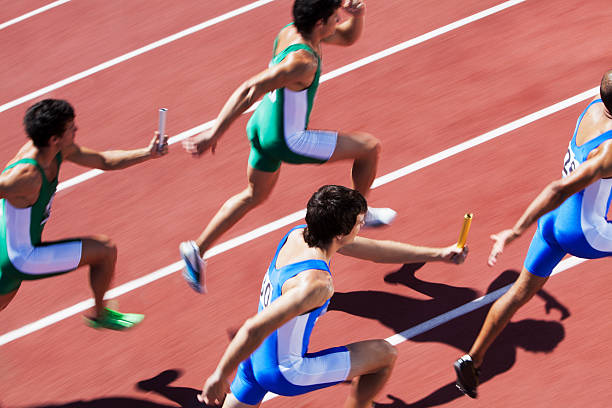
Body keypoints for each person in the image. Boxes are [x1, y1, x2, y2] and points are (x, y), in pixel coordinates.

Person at [180, 0, 396, 293]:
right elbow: (250, 87)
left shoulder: (292, 31)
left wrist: (359, 16)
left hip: (262, 127)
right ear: (320, 23)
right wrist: (214, 132)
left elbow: (347, 37)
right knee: (369, 148)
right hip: (288, 140)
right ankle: (359, 212)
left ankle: (196, 249)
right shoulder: (303, 61)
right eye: (335, 17)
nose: (338, 21)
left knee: (253, 195)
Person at [199, 185, 468, 407]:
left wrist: (439, 254)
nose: (362, 227)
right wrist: (219, 375)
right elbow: (251, 328)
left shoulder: (297, 236)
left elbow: (376, 251)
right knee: (384, 355)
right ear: (341, 233)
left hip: (256, 357)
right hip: (286, 371)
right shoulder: (317, 283)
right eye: (360, 223)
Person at [454, 69, 612, 398]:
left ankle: (473, 359)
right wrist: (513, 231)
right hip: (583, 231)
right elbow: (557, 188)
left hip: (553, 222)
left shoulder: (593, 106)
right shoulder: (609, 151)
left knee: (518, 293)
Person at [0, 99, 168, 330]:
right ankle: (100, 315)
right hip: (22, 257)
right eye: (71, 128)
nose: (76, 130)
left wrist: (148, 154)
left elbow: (104, 161)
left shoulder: (57, 150)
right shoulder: (27, 175)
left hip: (7, 244)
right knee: (105, 250)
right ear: (54, 139)